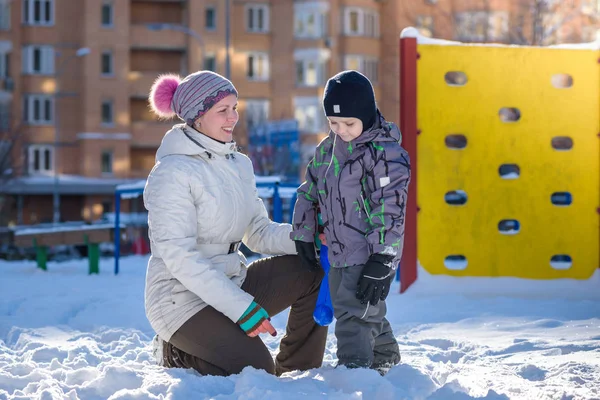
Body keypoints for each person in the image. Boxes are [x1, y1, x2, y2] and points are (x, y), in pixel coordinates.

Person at [144, 70, 327, 377]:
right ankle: (175, 351)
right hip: (180, 300)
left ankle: (296, 374)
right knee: (256, 369)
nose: (233, 118)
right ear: (197, 116)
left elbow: (257, 232)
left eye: (235, 108)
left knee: (312, 268)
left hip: (231, 280)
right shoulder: (172, 172)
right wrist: (242, 309)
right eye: (222, 111)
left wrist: (309, 238)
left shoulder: (238, 164)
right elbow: (179, 258)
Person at [291, 70, 411, 375]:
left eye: (349, 123)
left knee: (353, 316)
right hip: (339, 253)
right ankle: (385, 358)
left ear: (367, 116)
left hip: (368, 253)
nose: (341, 130)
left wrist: (382, 257)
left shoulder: (384, 154)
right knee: (364, 309)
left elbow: (391, 207)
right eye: (333, 123)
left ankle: (354, 372)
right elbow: (310, 191)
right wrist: (304, 233)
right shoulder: (327, 151)